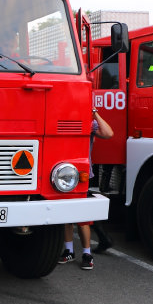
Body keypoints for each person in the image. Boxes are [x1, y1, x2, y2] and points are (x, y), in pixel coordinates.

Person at [59, 108, 114, 270]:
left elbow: (109, 133)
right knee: (65, 216)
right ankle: (69, 251)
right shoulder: (63, 121)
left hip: (82, 174)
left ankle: (87, 254)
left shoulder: (89, 123)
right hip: (62, 173)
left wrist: (94, 112)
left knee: (83, 218)